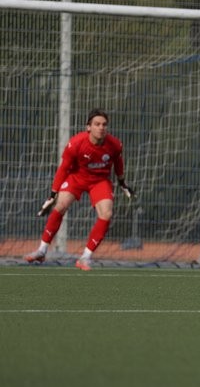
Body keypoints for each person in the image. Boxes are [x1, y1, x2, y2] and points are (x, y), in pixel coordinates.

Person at [24, 108, 135, 270]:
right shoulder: (76, 143)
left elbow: (118, 162)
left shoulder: (115, 144)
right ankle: (42, 250)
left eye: (104, 124)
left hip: (99, 181)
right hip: (77, 177)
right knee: (60, 205)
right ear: (88, 127)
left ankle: (85, 257)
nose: (101, 127)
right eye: (97, 124)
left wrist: (122, 183)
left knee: (107, 213)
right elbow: (63, 169)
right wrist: (52, 194)